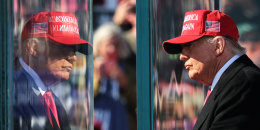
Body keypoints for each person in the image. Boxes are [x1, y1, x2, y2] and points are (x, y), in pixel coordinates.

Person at [162, 10, 260, 130]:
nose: (182, 56)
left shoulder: (243, 82)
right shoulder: (232, 82)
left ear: (218, 46)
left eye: (189, 45)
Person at [13, 12, 92, 130]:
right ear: (33, 48)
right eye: (64, 47)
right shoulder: (10, 92)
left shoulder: (52, 100)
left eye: (74, 50)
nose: (73, 57)